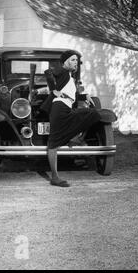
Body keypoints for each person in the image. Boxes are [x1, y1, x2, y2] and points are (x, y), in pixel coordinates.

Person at [45, 50, 101, 187]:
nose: (75, 62)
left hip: (66, 107)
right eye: (72, 60)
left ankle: (75, 138)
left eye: (76, 60)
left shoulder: (69, 77)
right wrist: (53, 87)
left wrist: (84, 96)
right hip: (59, 109)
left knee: (93, 114)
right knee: (53, 144)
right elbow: (51, 72)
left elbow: (71, 95)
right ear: (65, 62)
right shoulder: (63, 71)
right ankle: (55, 177)